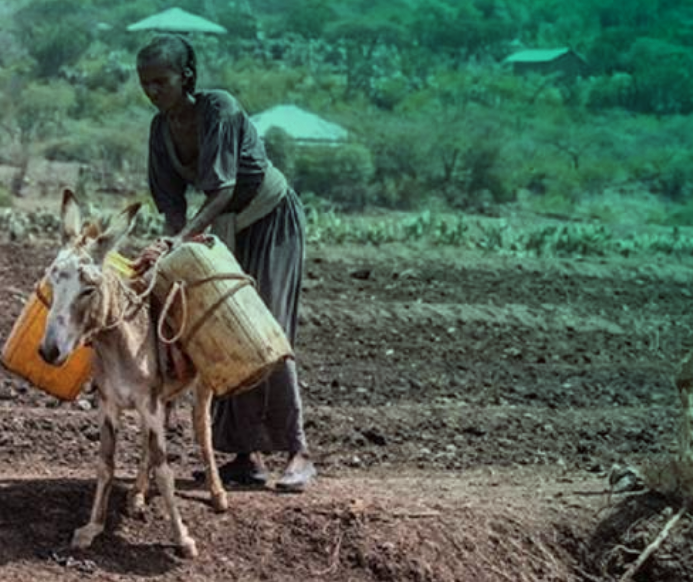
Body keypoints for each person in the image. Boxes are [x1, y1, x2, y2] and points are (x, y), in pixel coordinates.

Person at [135, 34, 315, 492]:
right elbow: (171, 204)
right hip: (222, 228)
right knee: (218, 326)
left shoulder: (219, 109)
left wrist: (180, 240)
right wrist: (169, 242)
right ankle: (244, 456)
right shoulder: (161, 130)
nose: (152, 91)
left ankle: (298, 453)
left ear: (187, 77)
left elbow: (222, 190)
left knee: (264, 327)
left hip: (269, 218)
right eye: (145, 83)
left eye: (161, 81)